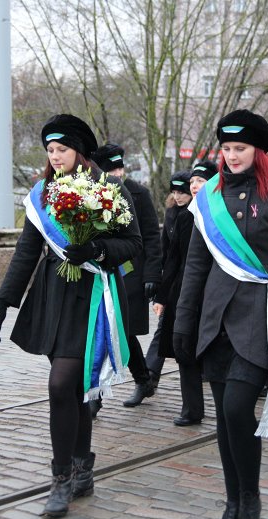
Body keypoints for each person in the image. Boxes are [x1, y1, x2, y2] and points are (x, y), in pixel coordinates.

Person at [0, 114, 142, 517]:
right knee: (73, 390)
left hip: (92, 297)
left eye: (62, 149)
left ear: (80, 151)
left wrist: (97, 251)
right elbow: (26, 251)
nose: (55, 157)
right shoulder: (43, 193)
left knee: (61, 385)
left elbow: (133, 243)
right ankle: (81, 467)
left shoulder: (109, 188)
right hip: (54, 295)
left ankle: (60, 480)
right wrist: (3, 302)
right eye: (50, 151)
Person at [175, 109, 268, 519]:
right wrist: (183, 323)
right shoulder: (209, 199)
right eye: (227, 148)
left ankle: (250, 500)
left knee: (238, 409)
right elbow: (195, 267)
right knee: (223, 416)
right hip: (216, 321)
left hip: (262, 318)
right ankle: (232, 502)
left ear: (259, 151)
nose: (232, 156)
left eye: (240, 148)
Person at [91, 143, 162, 412]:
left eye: (120, 167)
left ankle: (141, 380)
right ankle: (95, 392)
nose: (118, 173)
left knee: (124, 330)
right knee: (101, 329)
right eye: (112, 169)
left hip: (131, 274)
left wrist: (153, 275)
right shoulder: (90, 193)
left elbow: (152, 238)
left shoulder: (139, 194)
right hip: (101, 272)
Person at [152, 162, 217, 426]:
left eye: (200, 181)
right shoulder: (180, 215)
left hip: (214, 289)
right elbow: (172, 259)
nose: (193, 186)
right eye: (193, 181)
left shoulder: (218, 212)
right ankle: (191, 408)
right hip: (184, 289)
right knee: (182, 346)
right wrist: (161, 295)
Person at [144, 169, 194, 390]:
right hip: (173, 281)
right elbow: (166, 252)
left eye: (182, 191)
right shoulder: (172, 213)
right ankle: (149, 376)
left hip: (192, 279)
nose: (177, 196)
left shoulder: (195, 214)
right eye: (174, 191)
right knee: (163, 327)